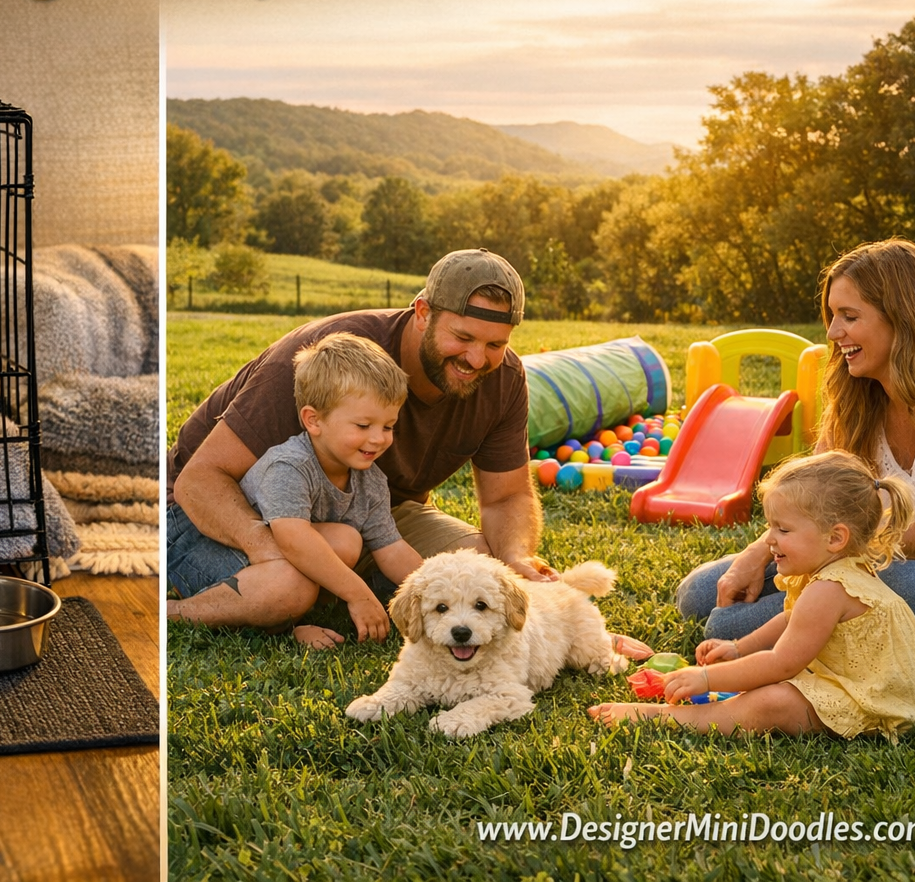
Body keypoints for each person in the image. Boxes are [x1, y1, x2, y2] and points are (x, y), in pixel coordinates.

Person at [166, 247, 653, 657]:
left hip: (364, 511)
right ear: (422, 313)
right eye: (461, 337)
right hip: (220, 508)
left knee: (477, 563)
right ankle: (222, 604)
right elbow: (199, 480)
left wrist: (517, 562)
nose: (476, 359)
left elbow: (506, 499)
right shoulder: (326, 361)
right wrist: (281, 557)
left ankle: (576, 637)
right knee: (291, 581)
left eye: (495, 344)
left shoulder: (502, 380)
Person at [676, 239, 915, 659]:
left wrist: (836, 549)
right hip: (871, 554)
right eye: (832, 315)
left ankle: (806, 618)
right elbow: (810, 503)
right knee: (699, 594)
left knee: (729, 625)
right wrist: (756, 553)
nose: (834, 333)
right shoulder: (858, 393)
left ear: (904, 318)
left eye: (849, 317)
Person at [591, 451, 915, 740]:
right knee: (774, 682)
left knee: (772, 701)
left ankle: (666, 718)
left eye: (783, 528)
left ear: (835, 538)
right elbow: (792, 618)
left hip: (876, 704)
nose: (770, 539)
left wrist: (707, 678)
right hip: (882, 689)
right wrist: (739, 649)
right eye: (770, 527)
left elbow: (782, 662)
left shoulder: (828, 589)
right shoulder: (836, 571)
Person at [226, 332, 417, 650]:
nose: (378, 439)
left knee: (344, 542)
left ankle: (297, 615)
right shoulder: (289, 466)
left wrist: (439, 588)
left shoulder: (370, 480)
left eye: (388, 426)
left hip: (287, 570)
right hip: (231, 565)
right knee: (301, 571)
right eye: (363, 425)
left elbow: (391, 548)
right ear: (313, 421)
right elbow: (294, 542)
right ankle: (282, 626)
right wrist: (359, 595)